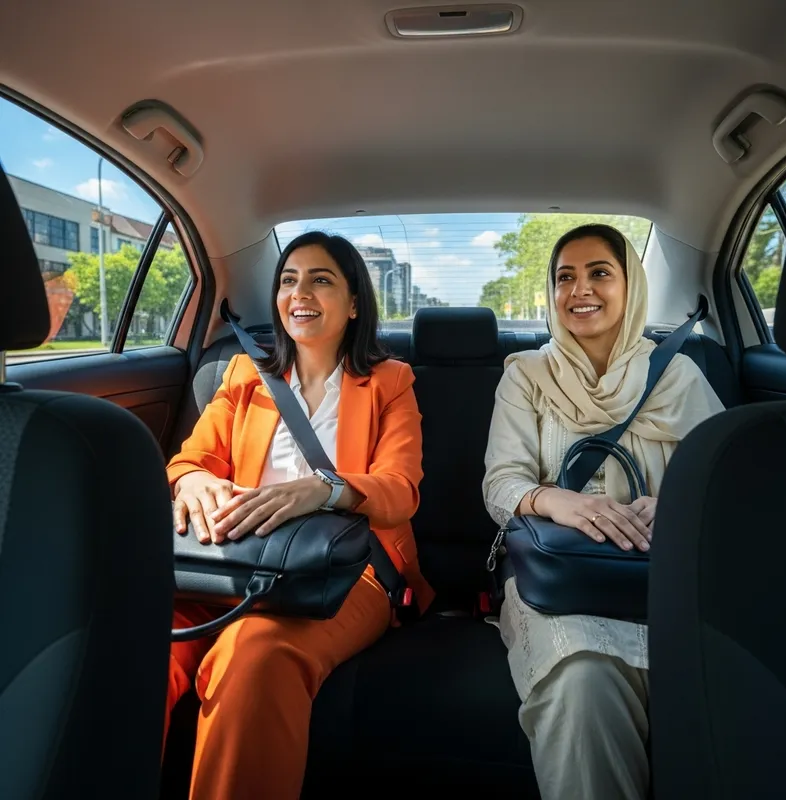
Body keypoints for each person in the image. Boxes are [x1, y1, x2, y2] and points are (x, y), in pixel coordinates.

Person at [165, 231, 434, 800]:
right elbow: (190, 460)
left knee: (254, 652)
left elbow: (398, 490)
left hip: (342, 571)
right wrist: (194, 480)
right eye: (288, 280)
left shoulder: (390, 383)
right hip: (225, 561)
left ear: (355, 302)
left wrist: (325, 489)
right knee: (135, 646)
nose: (299, 292)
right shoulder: (243, 376)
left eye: (320, 279)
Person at [482, 224, 724, 800]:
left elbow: (727, 483)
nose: (579, 290)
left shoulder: (680, 376)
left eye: (599, 273)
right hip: (559, 584)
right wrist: (556, 500)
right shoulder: (525, 375)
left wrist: (675, 507)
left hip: (666, 579)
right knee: (583, 683)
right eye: (565, 277)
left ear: (630, 285)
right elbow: (500, 482)